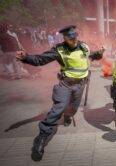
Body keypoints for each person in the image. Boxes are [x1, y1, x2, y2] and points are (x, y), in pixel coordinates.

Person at [16, 25, 105, 161]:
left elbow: (91, 55)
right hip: (66, 84)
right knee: (59, 108)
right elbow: (40, 59)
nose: (74, 41)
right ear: (65, 38)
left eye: (75, 37)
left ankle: (68, 116)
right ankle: (40, 139)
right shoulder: (59, 50)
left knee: (73, 109)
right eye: (71, 38)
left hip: (80, 85)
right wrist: (26, 57)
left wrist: (99, 53)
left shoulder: (84, 46)